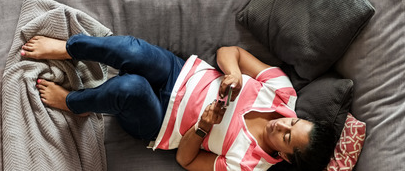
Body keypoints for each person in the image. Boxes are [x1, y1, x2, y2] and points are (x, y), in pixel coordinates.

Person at [21, 34, 336, 171]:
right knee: (132, 50)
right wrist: (233, 73)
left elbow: (186, 161)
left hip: (160, 122)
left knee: (131, 88)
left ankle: (75, 103)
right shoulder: (284, 94)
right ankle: (70, 48)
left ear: (285, 156)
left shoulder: (249, 165)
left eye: (287, 137)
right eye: (293, 122)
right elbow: (231, 52)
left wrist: (203, 127)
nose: (282, 124)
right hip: (179, 72)